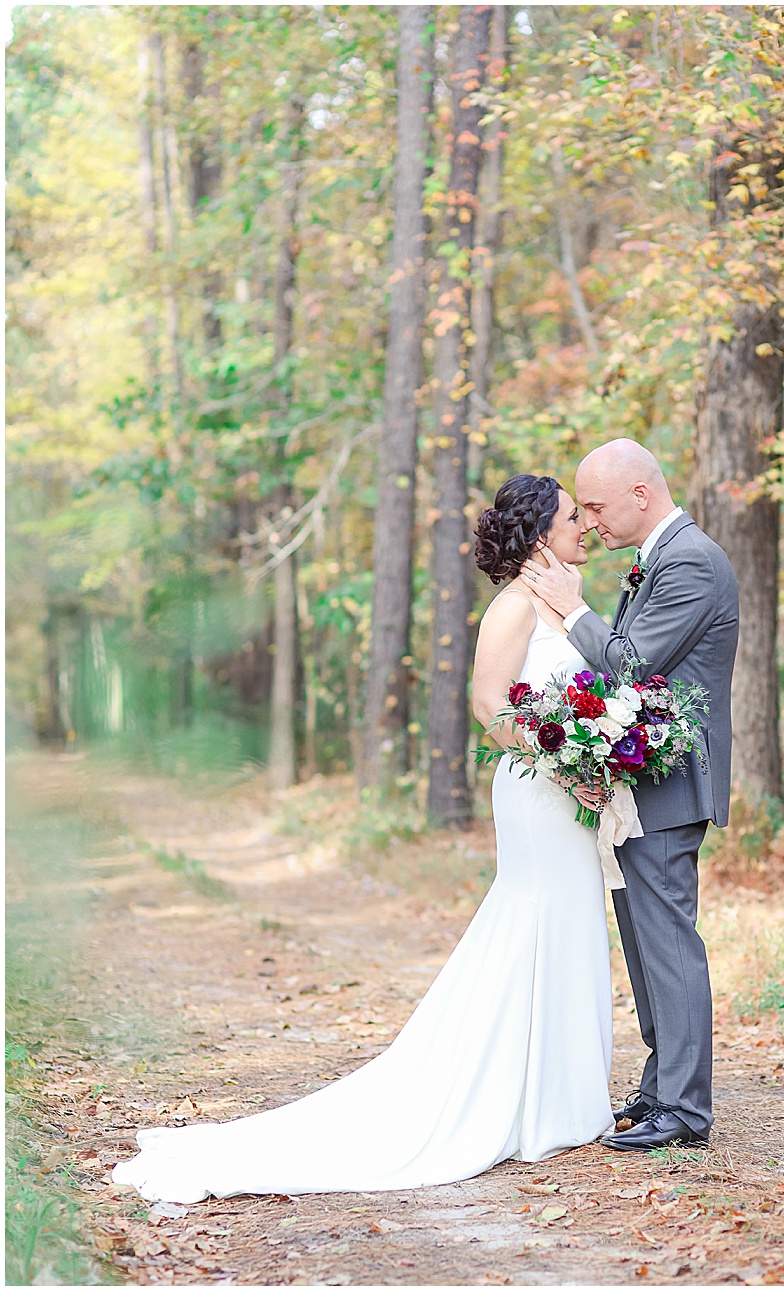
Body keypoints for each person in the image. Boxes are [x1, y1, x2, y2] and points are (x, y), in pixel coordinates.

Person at [111, 473, 616, 1204]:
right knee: (536, 918)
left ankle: (562, 1096)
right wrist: (563, 768)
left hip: (572, 792)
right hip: (540, 794)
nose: (585, 526)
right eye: (574, 516)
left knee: (570, 925)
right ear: (541, 534)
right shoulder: (513, 609)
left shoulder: (566, 604)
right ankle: (527, 1098)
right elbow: (487, 705)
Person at [521, 438, 739, 1151]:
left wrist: (573, 607)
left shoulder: (692, 561)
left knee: (669, 942)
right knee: (645, 943)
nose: (590, 520)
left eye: (597, 505)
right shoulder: (659, 558)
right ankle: (660, 1088)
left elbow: (633, 665)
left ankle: (685, 1109)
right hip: (639, 777)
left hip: (671, 781)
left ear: (640, 494)